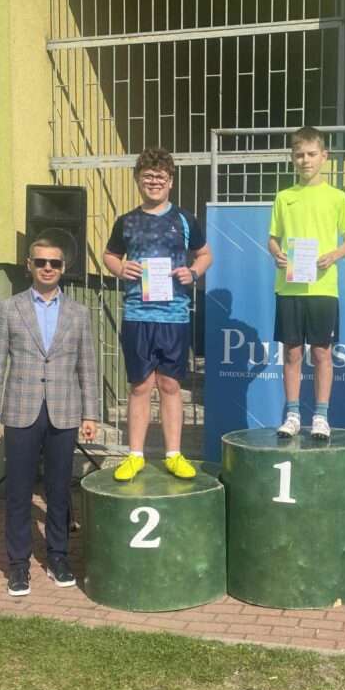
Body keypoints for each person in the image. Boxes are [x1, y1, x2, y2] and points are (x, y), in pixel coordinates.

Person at [0, 235, 99, 596]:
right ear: (29, 265)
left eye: (55, 263)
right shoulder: (8, 308)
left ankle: (58, 557)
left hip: (64, 412)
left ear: (64, 268)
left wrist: (91, 414)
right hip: (21, 410)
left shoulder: (79, 313)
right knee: (19, 491)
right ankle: (18, 565)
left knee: (58, 491)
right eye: (41, 262)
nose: (48, 268)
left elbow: (88, 367)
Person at [102, 147, 213, 482]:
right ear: (138, 180)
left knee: (169, 385)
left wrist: (193, 272)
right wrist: (120, 269)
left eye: (160, 177)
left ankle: (173, 455)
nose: (154, 182)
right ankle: (135, 455)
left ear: (171, 181)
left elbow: (205, 254)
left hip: (174, 315)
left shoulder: (185, 219)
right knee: (139, 387)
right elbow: (109, 255)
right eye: (147, 176)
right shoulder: (126, 221)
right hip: (138, 314)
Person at [268, 126, 345, 440]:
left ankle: (321, 417)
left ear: (324, 156)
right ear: (293, 158)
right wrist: (277, 254)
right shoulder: (284, 197)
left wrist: (333, 255)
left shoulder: (337, 197)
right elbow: (272, 239)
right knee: (291, 353)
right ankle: (292, 415)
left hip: (323, 289)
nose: (305, 160)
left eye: (311, 154)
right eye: (299, 155)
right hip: (289, 287)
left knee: (321, 353)